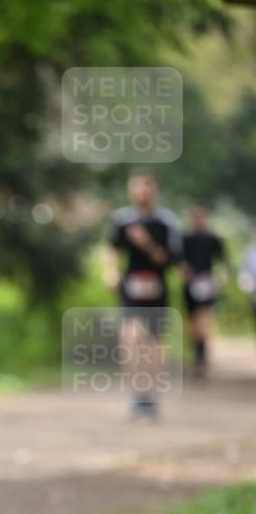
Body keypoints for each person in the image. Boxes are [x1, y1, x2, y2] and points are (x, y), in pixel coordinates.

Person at [103, 170, 183, 420]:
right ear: (130, 189)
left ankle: (151, 396)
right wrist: (111, 272)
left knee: (154, 344)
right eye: (137, 186)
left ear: (155, 190)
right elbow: (111, 248)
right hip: (132, 290)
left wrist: (146, 243)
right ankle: (137, 394)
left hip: (157, 290)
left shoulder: (166, 222)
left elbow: (169, 259)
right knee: (131, 336)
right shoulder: (122, 220)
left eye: (147, 186)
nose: (142, 191)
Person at [181, 205, 226, 379]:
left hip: (206, 284)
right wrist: (185, 271)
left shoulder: (213, 239)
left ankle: (202, 359)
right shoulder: (186, 239)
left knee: (203, 322)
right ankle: (197, 357)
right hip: (190, 284)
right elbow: (178, 260)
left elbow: (222, 260)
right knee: (193, 324)